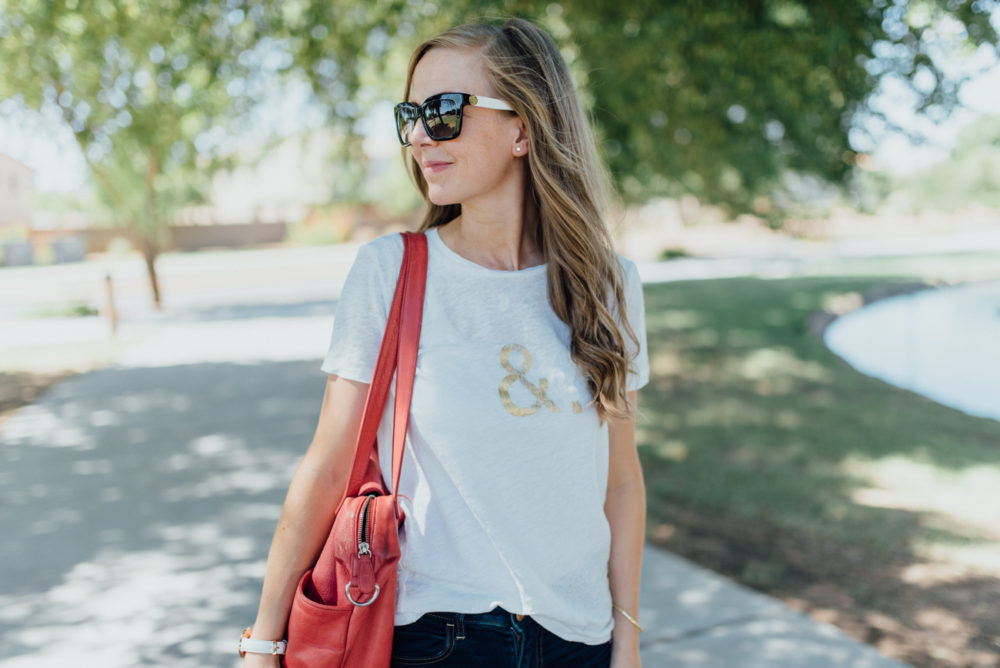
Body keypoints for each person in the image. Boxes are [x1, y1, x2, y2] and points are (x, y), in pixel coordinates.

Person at [243, 16, 649, 668]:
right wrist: (263, 641)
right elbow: (326, 465)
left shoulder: (610, 284)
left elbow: (621, 482)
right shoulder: (390, 271)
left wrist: (626, 640)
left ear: (524, 127)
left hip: (580, 640)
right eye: (411, 114)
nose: (419, 135)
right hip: (440, 640)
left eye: (445, 110)